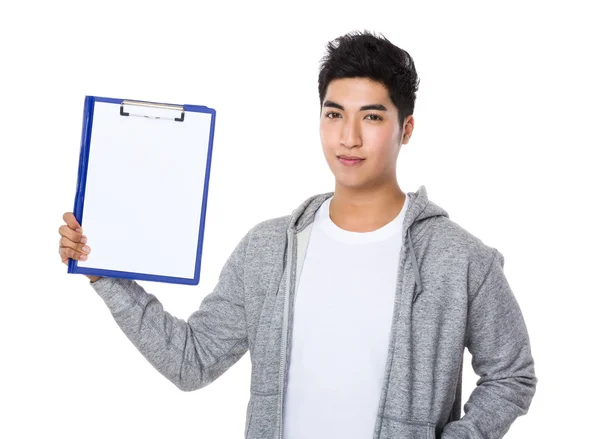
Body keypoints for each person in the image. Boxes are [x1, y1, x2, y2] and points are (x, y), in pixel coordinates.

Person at [58, 30, 537, 439]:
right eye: (334, 114)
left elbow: (511, 373)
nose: (348, 137)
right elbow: (192, 361)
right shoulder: (269, 249)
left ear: (405, 128)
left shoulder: (458, 257)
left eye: (371, 116)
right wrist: (105, 274)